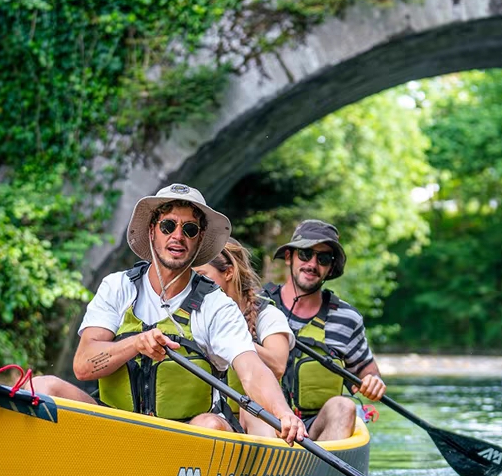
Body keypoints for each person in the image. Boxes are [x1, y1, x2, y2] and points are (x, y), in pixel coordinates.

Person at [31, 183, 305, 445]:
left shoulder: (216, 305)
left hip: (183, 441)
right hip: (113, 427)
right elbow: (83, 366)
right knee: (42, 386)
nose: (178, 236)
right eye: (168, 225)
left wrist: (283, 413)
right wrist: (136, 344)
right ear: (153, 231)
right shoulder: (117, 286)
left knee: (210, 425)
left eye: (189, 229)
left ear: (200, 240)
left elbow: (251, 371)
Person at [263, 219, 386, 441]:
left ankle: (324, 473)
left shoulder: (347, 319)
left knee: (344, 405)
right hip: (262, 423)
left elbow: (368, 372)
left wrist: (373, 381)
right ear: (289, 257)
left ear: (330, 268)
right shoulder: (255, 305)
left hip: (316, 432)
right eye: (305, 254)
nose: (312, 264)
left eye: (323, 258)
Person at [194, 239, 295, 437]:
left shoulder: (267, 315)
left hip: (253, 422)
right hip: (213, 419)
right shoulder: (196, 315)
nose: (195, 285)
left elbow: (278, 365)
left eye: (202, 276)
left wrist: (231, 337)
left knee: (253, 408)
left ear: (229, 272)